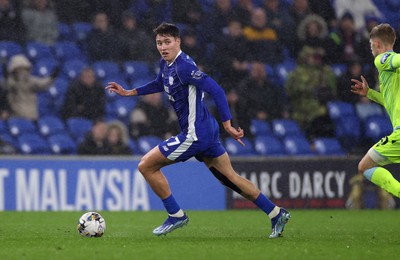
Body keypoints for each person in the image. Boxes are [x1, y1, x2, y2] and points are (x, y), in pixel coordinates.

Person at [106, 23, 290, 238]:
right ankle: (276, 213)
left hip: (195, 134)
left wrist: (228, 124)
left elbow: (217, 91)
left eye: (167, 42)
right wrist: (131, 92)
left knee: (146, 166)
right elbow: (160, 83)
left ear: (178, 42)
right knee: (228, 177)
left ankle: (175, 215)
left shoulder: (185, 67)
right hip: (205, 129)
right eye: (159, 43)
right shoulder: (167, 64)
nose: (163, 47)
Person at [350, 23, 400, 199]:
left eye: (371, 45)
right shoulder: (394, 74)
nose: (371, 49)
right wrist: (369, 93)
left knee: (365, 166)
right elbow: (389, 102)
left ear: (377, 44)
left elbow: (395, 60)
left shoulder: (382, 59)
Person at [4, 54, 54, 120]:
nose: (22, 71)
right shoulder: (11, 82)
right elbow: (7, 86)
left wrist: (52, 77)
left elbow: (43, 84)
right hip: (17, 117)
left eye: (23, 68)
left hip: (32, 116)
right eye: (19, 68)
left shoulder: (31, 81)